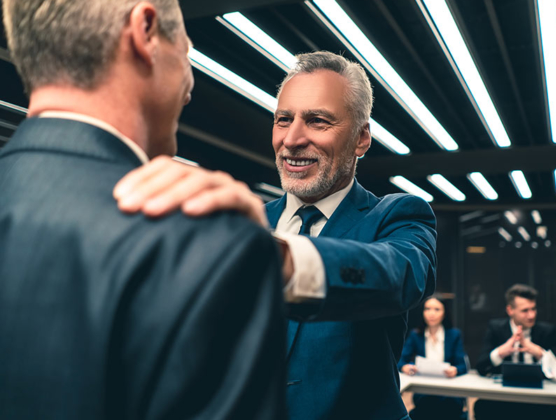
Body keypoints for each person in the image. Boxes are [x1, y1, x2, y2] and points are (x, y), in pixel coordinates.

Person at [111, 51, 438, 420]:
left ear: (361, 139)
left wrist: (276, 259)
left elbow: (400, 275)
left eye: (317, 121)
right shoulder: (243, 223)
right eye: (284, 119)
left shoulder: (395, 216)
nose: (293, 138)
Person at [0, 1, 285, 419]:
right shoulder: (206, 245)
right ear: (145, 30)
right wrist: (243, 243)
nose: (190, 86)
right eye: (186, 55)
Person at [474, 284, 556, 420]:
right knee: (482, 407)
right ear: (510, 310)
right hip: (503, 397)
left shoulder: (547, 331)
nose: (531, 315)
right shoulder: (495, 328)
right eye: (525, 310)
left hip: (538, 399)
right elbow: (481, 367)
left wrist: (539, 353)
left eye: (533, 309)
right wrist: (501, 352)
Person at [398, 297, 468, 420]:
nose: (431, 313)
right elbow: (400, 360)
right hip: (425, 390)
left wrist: (455, 370)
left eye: (437, 309)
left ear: (444, 313)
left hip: (449, 389)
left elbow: (463, 366)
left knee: (449, 406)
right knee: (426, 405)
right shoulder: (416, 335)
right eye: (427, 309)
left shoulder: (454, 334)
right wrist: (405, 367)